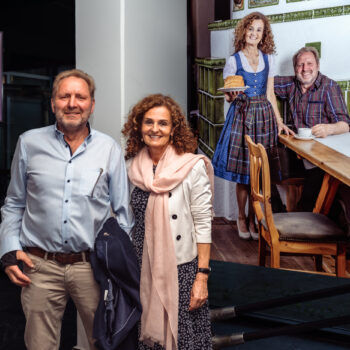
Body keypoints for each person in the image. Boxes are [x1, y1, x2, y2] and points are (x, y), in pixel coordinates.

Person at [0, 69, 133, 350]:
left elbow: (123, 215)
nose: (72, 103)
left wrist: (118, 266)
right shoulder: (28, 143)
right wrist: (9, 250)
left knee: (105, 343)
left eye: (80, 97)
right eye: (65, 96)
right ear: (53, 103)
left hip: (92, 268)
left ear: (91, 104)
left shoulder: (109, 149)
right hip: (39, 267)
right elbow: (14, 203)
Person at [122, 94, 213, 350]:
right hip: (141, 267)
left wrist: (202, 278)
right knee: (146, 337)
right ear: (139, 127)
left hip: (182, 270)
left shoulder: (191, 167)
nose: (155, 129)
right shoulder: (130, 168)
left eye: (163, 123)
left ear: (174, 129)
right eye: (148, 122)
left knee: (184, 340)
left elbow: (203, 224)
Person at [212, 11, 292, 240]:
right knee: (243, 173)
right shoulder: (233, 60)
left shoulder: (269, 59)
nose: (254, 33)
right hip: (242, 116)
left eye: (259, 30)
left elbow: (269, 93)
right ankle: (241, 216)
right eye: (250, 28)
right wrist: (230, 96)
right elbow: (229, 94)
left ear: (263, 35)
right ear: (243, 31)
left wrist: (279, 122)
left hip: (264, 117)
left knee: (259, 172)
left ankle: (256, 217)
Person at [274, 46, 350, 210]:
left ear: (317, 66)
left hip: (324, 156)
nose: (305, 69)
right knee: (265, 165)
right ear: (295, 69)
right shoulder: (291, 84)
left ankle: (301, 223)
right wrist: (278, 119)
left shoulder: (329, 87)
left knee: (314, 186)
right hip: (299, 152)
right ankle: (278, 214)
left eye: (309, 63)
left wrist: (329, 129)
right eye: (300, 65)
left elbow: (345, 124)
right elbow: (264, 83)